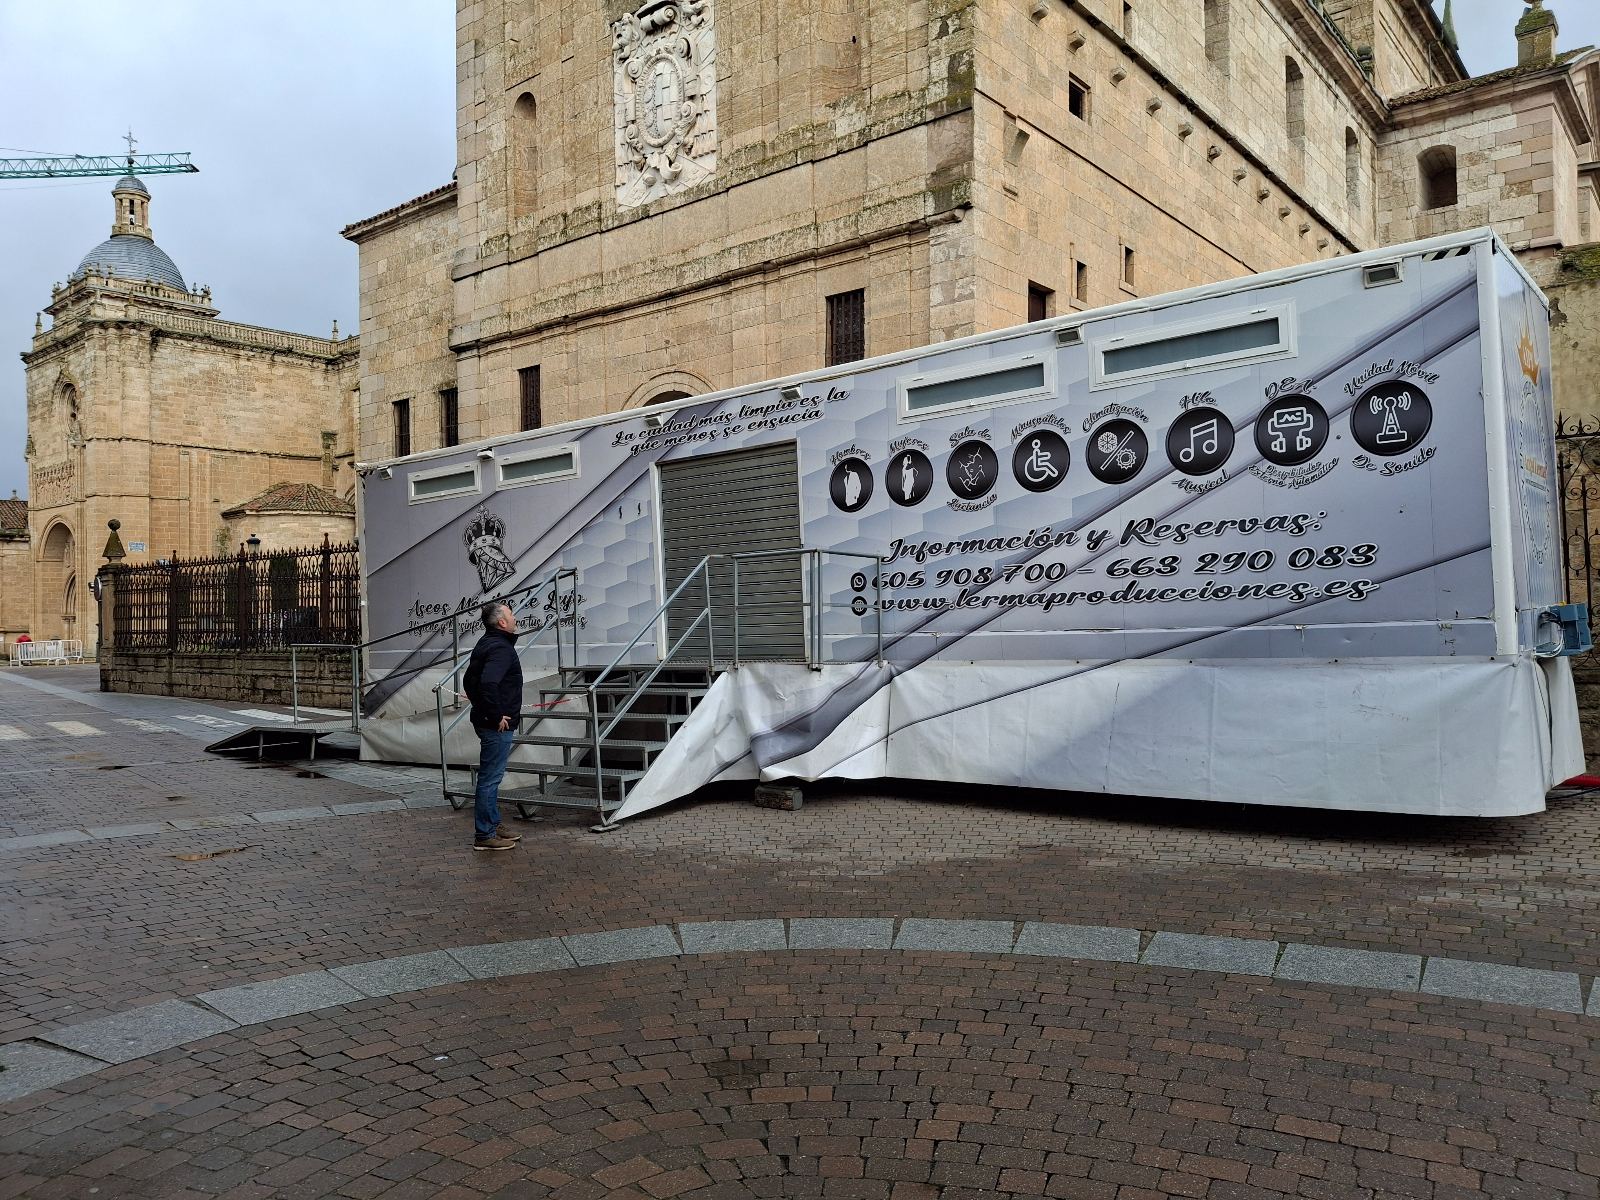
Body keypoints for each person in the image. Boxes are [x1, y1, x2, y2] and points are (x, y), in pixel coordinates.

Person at [462, 601, 525, 851]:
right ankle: (484, 835)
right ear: (501, 622)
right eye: (510, 614)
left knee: (492, 778)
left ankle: (493, 823)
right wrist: (495, 715)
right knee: (490, 779)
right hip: (496, 725)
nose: (514, 617)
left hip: (486, 720)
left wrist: (484, 711)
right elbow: (488, 684)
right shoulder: (500, 647)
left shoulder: (487, 643)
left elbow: (469, 681)